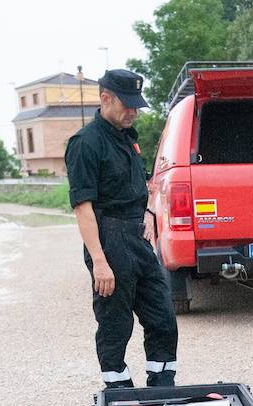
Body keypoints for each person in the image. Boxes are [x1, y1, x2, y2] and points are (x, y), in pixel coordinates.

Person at [65, 68, 178, 389]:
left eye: (136, 105)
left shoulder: (127, 139)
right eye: (127, 104)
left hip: (137, 238)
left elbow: (139, 184)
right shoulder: (86, 143)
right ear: (105, 98)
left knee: (163, 317)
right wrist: (99, 262)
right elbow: (83, 207)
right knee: (116, 323)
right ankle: (118, 390)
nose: (134, 112)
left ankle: (162, 386)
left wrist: (147, 211)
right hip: (109, 239)